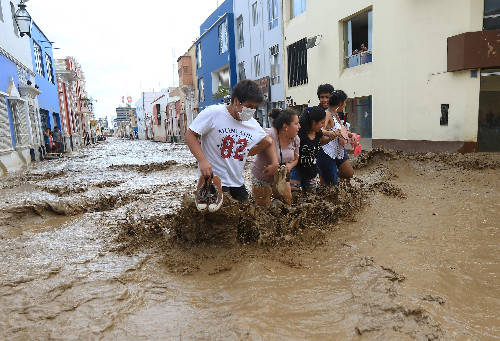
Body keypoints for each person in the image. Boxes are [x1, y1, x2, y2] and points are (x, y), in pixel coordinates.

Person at [186, 79, 278, 209]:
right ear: (236, 101)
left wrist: (274, 163)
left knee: (247, 216)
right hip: (214, 180)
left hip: (237, 182)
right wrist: (202, 161)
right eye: (249, 106)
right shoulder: (214, 113)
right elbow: (190, 135)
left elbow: (268, 141)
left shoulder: (252, 124)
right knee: (215, 218)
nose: (251, 111)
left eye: (254, 108)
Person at [251, 108, 300, 206]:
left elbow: (296, 158)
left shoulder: (296, 139)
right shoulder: (268, 134)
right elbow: (249, 150)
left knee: (287, 201)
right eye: (296, 124)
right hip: (262, 176)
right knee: (264, 209)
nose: (299, 126)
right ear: (285, 126)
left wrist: (290, 166)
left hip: (282, 175)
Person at [290, 106, 339, 191]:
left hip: (311, 172)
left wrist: (331, 138)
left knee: (311, 197)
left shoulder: (318, 133)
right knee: (294, 195)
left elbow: (322, 142)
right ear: (313, 122)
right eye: (322, 123)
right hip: (296, 171)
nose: (323, 125)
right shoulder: (299, 134)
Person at [327, 90, 355, 180]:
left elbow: (342, 128)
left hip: (339, 150)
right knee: (330, 182)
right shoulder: (327, 114)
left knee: (349, 173)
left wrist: (351, 135)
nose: (345, 105)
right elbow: (319, 130)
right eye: (345, 102)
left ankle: (336, 179)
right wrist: (331, 134)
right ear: (340, 103)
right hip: (329, 152)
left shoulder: (336, 114)